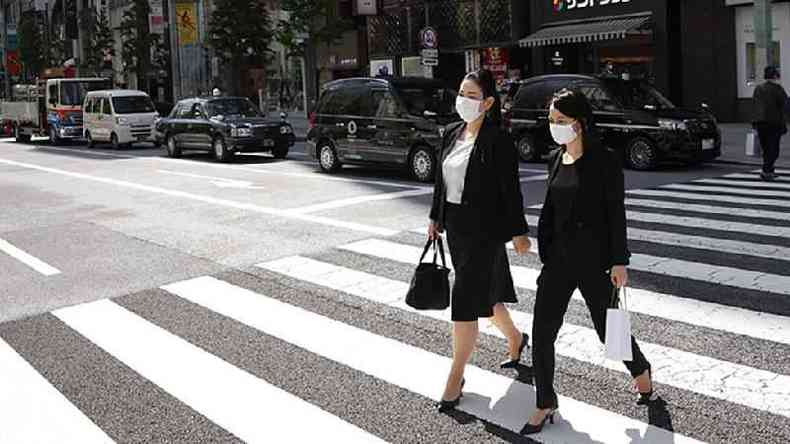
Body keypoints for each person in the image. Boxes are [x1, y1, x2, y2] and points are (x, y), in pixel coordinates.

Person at [524, 89, 654, 434]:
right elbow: (550, 211)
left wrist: (619, 261)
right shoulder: (555, 158)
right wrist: (545, 250)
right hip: (558, 263)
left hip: (595, 261)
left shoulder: (605, 160)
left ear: (579, 123)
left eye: (560, 121)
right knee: (542, 332)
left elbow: (616, 213)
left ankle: (640, 369)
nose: (554, 127)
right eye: (551, 121)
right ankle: (544, 401)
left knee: (607, 329)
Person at [427, 69, 532, 412]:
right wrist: (434, 217)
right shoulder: (451, 133)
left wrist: (518, 231)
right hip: (455, 227)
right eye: (461, 92)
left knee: (465, 297)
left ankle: (455, 376)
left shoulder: (497, 139)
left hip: (484, 231)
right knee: (485, 294)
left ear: (487, 102)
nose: (464, 100)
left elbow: (510, 189)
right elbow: (441, 181)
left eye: (472, 96)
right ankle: (516, 339)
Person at [752, 65, 788, 181]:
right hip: (774, 123)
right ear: (775, 76)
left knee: (766, 148)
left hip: (760, 123)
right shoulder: (777, 89)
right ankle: (766, 171)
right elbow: (785, 105)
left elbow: (755, 106)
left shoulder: (758, 88)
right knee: (773, 149)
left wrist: (754, 123)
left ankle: (769, 170)